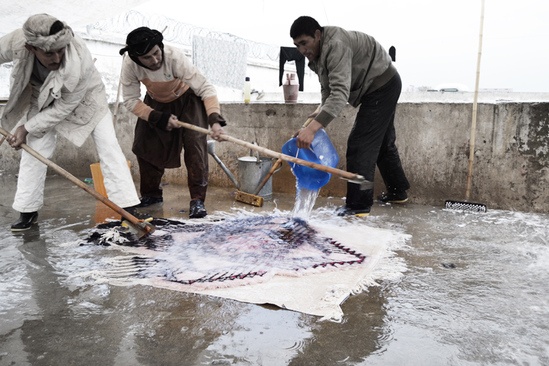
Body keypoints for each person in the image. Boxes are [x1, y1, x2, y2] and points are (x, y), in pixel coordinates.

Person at [0, 13, 141, 231]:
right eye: (49, 52)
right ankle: (27, 211)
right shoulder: (18, 41)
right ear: (31, 48)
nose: (57, 58)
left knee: (109, 147)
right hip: (41, 100)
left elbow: (64, 108)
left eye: (61, 50)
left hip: (87, 100)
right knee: (33, 153)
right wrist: (27, 130)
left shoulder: (78, 60)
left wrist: (25, 128)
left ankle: (128, 208)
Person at [290, 16, 410, 216]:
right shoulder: (318, 53)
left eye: (304, 43)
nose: (302, 50)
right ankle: (398, 192)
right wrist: (316, 118)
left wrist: (311, 130)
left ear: (317, 35)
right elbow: (328, 89)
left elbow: (339, 94)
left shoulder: (335, 45)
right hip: (379, 85)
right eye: (297, 46)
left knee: (360, 145)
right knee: (381, 143)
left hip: (381, 85)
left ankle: (358, 206)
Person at [119, 27, 226, 219]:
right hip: (155, 103)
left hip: (187, 99)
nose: (154, 60)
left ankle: (197, 200)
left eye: (156, 53)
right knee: (144, 144)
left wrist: (214, 120)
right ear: (136, 58)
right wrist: (156, 117)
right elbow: (129, 99)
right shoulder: (129, 65)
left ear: (160, 47)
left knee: (195, 145)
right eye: (147, 58)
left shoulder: (174, 57)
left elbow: (205, 87)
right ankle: (151, 195)